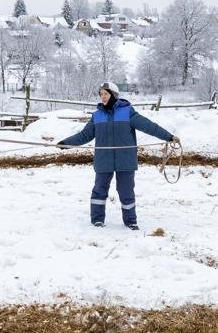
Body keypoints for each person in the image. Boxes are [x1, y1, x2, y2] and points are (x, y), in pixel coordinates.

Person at [57, 82, 176, 230]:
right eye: (101, 94)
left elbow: (149, 126)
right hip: (103, 160)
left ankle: (131, 221)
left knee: (126, 191)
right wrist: (65, 144)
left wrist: (168, 137)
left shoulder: (127, 112)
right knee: (99, 190)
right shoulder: (97, 116)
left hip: (125, 160)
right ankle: (97, 220)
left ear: (113, 95)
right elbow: (85, 135)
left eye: (105, 94)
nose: (103, 97)